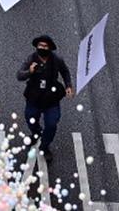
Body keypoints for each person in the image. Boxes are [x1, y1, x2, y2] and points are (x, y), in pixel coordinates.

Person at [16, 35, 74, 163]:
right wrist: (29, 71)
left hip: (51, 98)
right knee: (30, 119)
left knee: (52, 124)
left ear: (50, 48)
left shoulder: (57, 59)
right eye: (40, 46)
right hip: (34, 97)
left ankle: (45, 146)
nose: (42, 48)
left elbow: (65, 71)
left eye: (45, 46)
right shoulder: (31, 59)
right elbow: (19, 75)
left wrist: (68, 85)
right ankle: (36, 133)